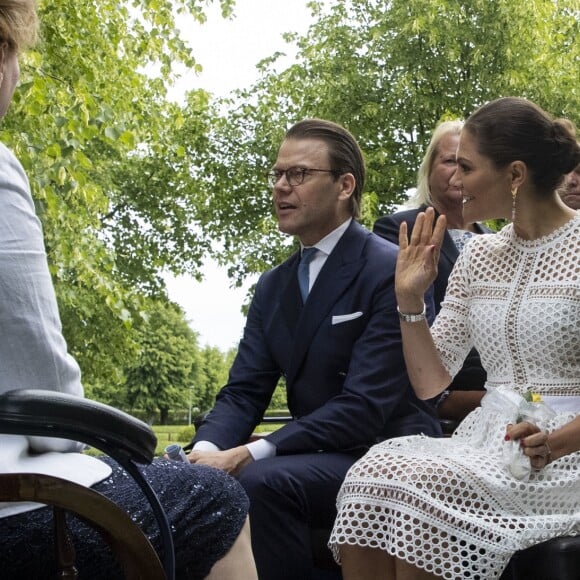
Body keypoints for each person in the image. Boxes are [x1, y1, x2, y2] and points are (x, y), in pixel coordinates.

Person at [0, 2, 257, 579]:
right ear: (1, 57)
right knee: (214, 498)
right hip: (12, 504)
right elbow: (40, 375)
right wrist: (91, 437)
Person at [329, 96, 580, 580]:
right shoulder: (478, 255)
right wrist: (409, 301)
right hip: (489, 440)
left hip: (567, 453)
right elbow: (431, 383)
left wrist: (553, 443)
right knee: (370, 476)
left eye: (466, 166)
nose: (455, 180)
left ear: (515, 175)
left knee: (428, 488)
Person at [188, 118, 441, 580]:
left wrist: (251, 452)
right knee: (184, 481)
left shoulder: (389, 270)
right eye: (277, 175)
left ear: (345, 185)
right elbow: (244, 391)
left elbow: (364, 406)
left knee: (262, 482)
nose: (281, 187)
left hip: (389, 451)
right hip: (317, 452)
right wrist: (204, 452)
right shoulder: (274, 285)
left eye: (299, 175)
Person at [373, 120, 490, 421]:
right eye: (450, 161)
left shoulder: (495, 239)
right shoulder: (400, 229)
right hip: (439, 388)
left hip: (499, 380)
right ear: (428, 168)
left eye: (469, 164)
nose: (459, 172)